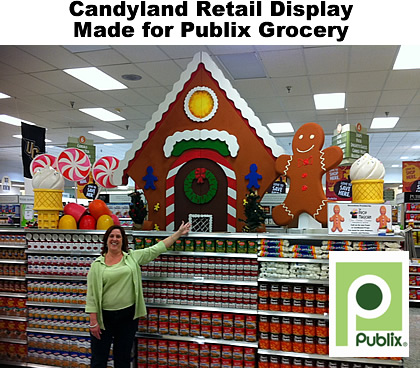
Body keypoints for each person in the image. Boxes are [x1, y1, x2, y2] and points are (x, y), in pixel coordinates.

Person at [85, 221, 191, 368]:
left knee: (123, 358)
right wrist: (93, 321)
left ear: (123, 241)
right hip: (104, 319)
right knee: (98, 360)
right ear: (106, 240)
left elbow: (157, 249)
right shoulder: (97, 265)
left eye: (118, 236)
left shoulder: (132, 257)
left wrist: (178, 233)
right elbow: (91, 295)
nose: (114, 239)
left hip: (127, 317)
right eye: (111, 236)